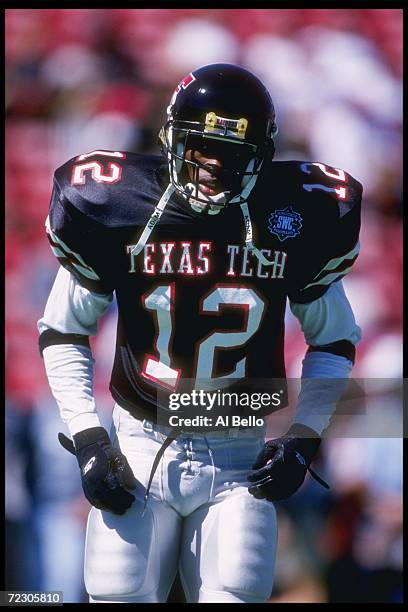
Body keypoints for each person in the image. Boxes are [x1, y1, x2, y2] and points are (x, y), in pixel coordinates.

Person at [38, 63, 362, 603]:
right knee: (117, 592)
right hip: (141, 439)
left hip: (239, 452)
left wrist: (304, 439)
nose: (214, 162)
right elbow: (64, 330)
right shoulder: (118, 205)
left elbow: (333, 339)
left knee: (234, 590)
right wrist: (88, 437)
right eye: (203, 145)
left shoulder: (298, 214)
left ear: (261, 154)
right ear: (172, 138)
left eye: (232, 151)